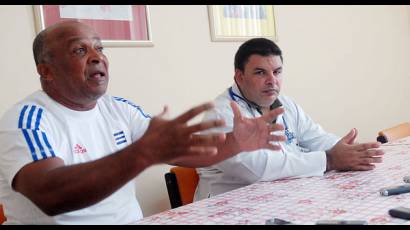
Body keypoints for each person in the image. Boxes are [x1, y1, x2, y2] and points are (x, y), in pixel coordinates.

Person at [0, 21, 286, 224]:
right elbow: (50, 195)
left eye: (99, 48)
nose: (97, 57)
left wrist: (234, 144)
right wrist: (142, 153)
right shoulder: (26, 120)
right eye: (79, 50)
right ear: (45, 70)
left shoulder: (120, 110)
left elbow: (180, 150)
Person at [194, 38, 385, 201]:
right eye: (260, 73)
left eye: (277, 72)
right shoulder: (221, 114)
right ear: (239, 76)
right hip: (229, 206)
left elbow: (315, 137)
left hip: (282, 197)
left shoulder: (285, 104)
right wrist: (330, 160)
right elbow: (257, 169)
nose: (272, 81)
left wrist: (343, 149)